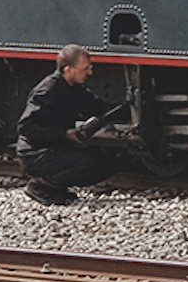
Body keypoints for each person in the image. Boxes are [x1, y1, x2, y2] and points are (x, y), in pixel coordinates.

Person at [15, 45, 127, 205]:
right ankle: (41, 186)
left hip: (56, 146)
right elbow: (26, 127)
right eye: (85, 69)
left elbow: (97, 107)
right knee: (87, 165)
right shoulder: (47, 91)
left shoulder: (74, 89)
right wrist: (63, 134)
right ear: (68, 69)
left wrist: (125, 109)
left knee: (109, 163)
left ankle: (57, 187)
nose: (90, 73)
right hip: (35, 152)